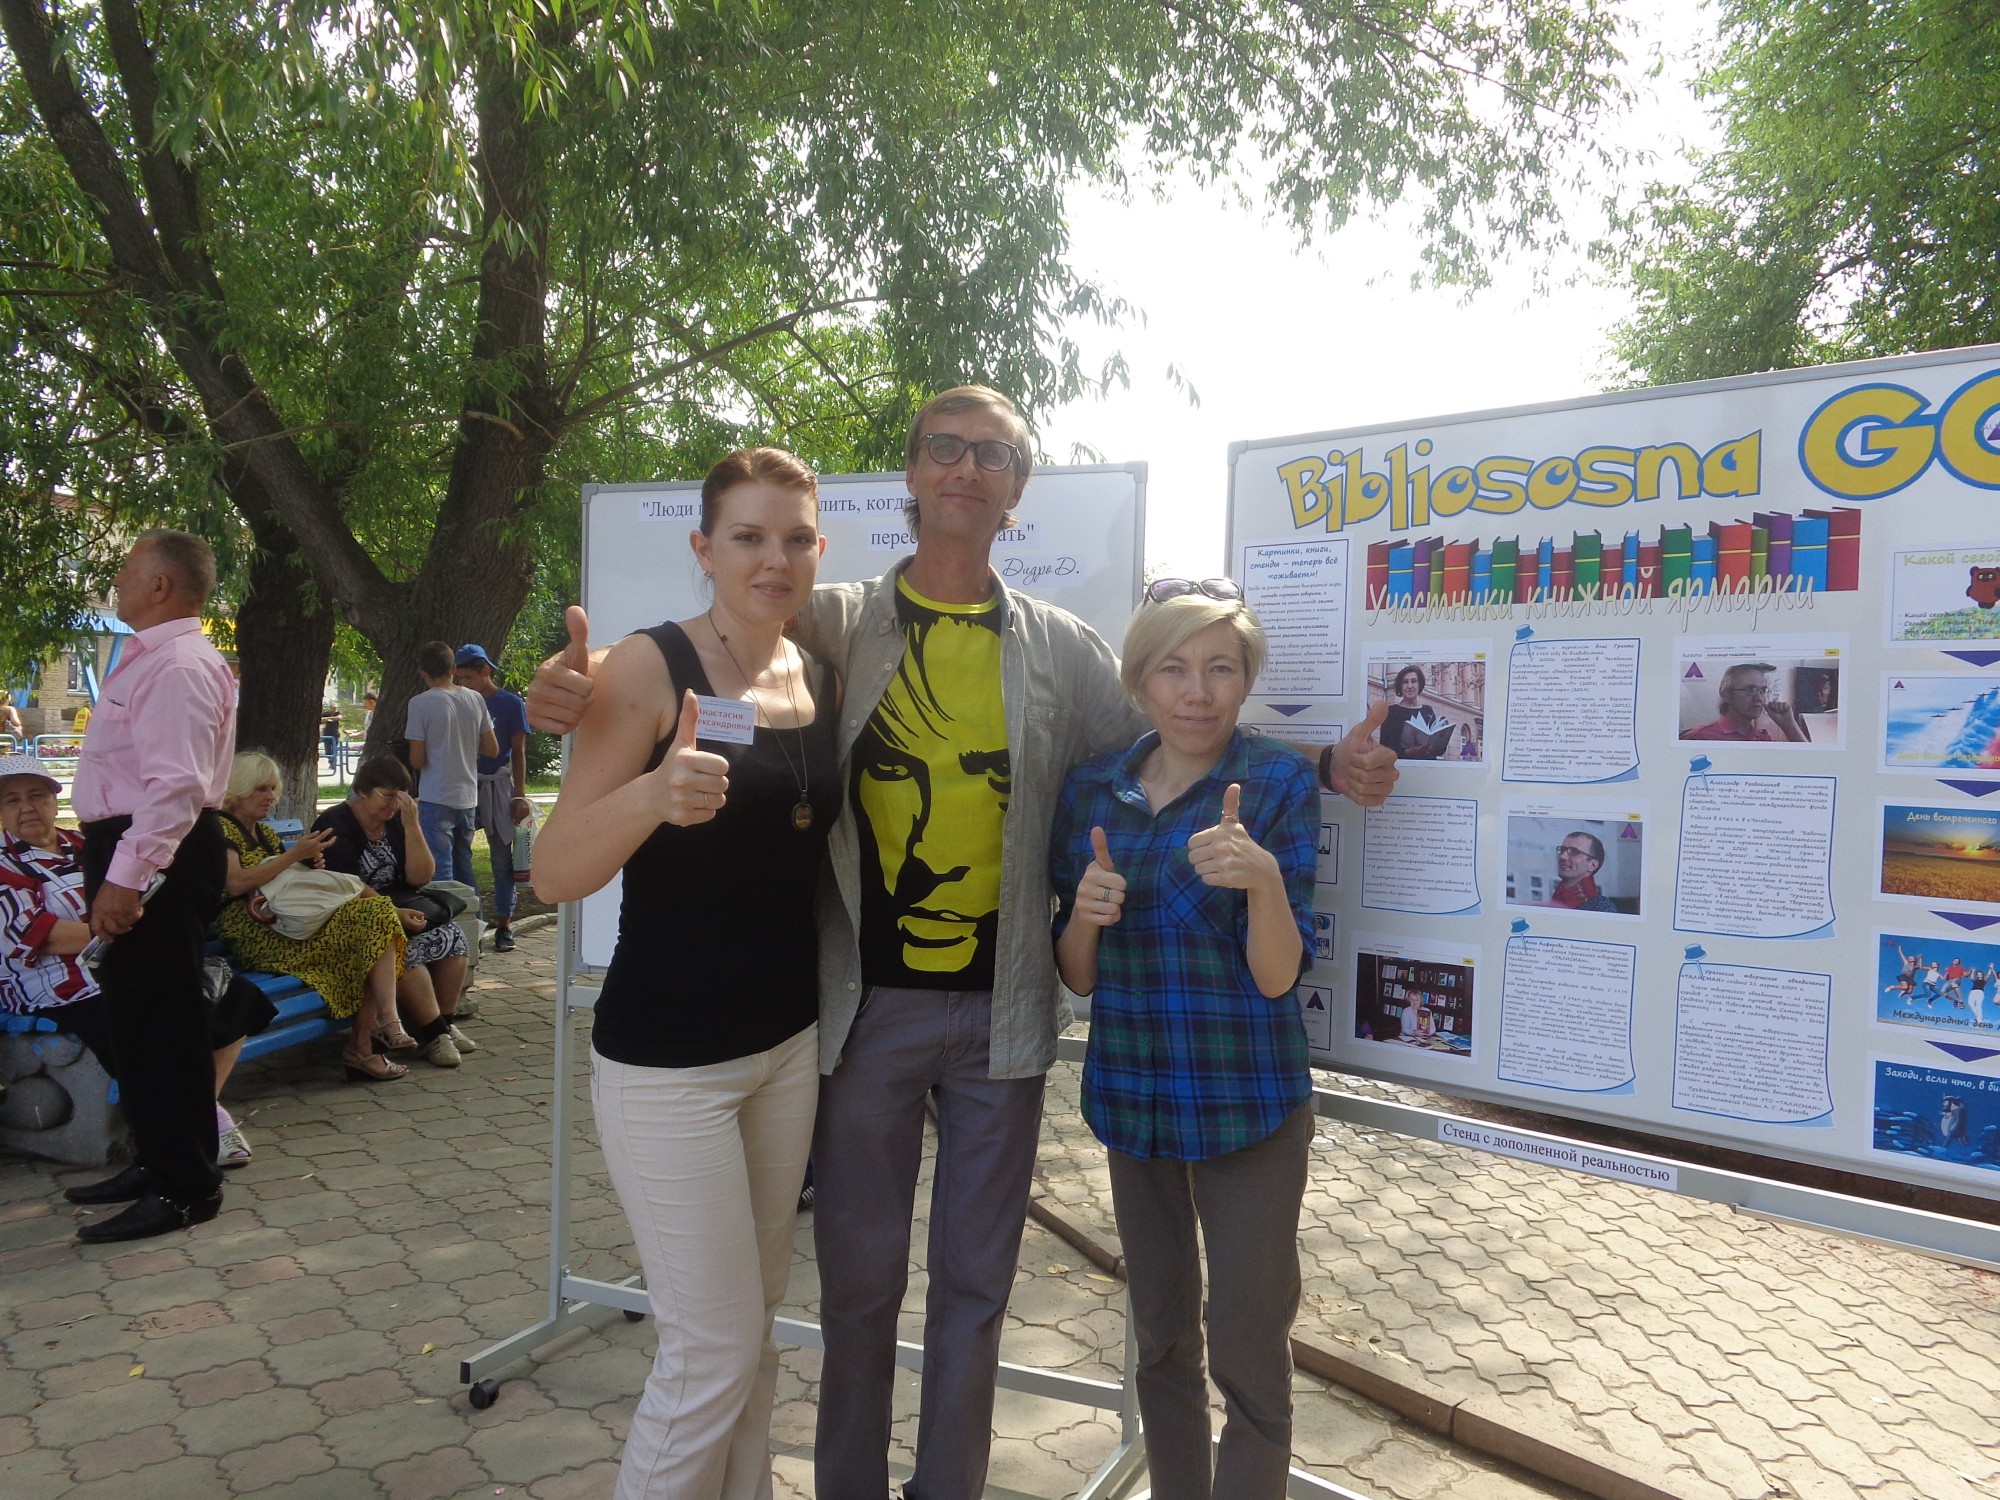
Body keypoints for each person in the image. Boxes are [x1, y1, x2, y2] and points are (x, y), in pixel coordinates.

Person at [526, 387, 1402, 1500]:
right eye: (944, 447)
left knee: (976, 1290)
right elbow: (707, 642)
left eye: (993, 455)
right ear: (910, 471)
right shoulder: (834, 620)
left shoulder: (1059, 649)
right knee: (856, 1287)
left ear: (1017, 490)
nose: (965, 469)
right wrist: (569, 685)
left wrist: (1323, 766)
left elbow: (1178, 731)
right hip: (858, 1010)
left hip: (1003, 1016)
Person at [532, 447, 840, 1500]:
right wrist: (650, 797)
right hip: (669, 1065)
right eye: (747, 537)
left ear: (819, 550)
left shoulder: (818, 671)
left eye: (794, 538)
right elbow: (553, 872)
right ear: (704, 549)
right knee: (708, 1351)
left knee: (752, 1334)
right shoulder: (647, 667)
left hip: (786, 1047)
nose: (772, 559)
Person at [1050, 589, 1319, 1500]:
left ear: (1245, 682)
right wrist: (1083, 918)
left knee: (1249, 1344)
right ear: (1140, 682)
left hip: (1249, 1105)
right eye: (1173, 669)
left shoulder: (1277, 782)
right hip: (1137, 1101)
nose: (1196, 692)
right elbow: (1078, 976)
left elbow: (1278, 978)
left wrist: (1264, 882)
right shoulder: (1093, 788)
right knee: (1162, 1337)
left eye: (1219, 669)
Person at [62, 530, 237, 1242]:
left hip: (155, 849)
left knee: (164, 1022)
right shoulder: (154, 657)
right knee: (137, 1019)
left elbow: (175, 789)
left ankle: (186, 1186)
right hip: (138, 845)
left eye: (128, 569)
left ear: (161, 586)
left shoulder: (178, 665)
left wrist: (126, 879)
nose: (117, 579)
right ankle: (157, 1159)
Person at [0, 756, 273, 1167]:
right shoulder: (5, 864)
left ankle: (197, 1115)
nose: (27, 807)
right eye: (12, 800)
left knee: (235, 994)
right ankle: (198, 1127)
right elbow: (43, 935)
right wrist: (128, 930)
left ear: (56, 801)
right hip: (59, 986)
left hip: (123, 964)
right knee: (153, 1019)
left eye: (36, 795)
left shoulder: (83, 845)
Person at [216, 751, 453, 1076]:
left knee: (375, 922)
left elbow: (285, 883)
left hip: (283, 923)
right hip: (253, 931)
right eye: (261, 789)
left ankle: (380, 1028)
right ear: (239, 789)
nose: (270, 796)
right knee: (369, 936)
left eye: (273, 788)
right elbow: (235, 883)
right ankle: (367, 1043)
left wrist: (310, 867)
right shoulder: (221, 829)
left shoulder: (265, 833)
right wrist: (294, 857)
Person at [312, 756, 478, 1050]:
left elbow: (420, 877)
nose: (394, 804)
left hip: (397, 906)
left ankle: (444, 1025)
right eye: (388, 795)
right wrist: (392, 913)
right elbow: (345, 884)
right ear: (363, 791)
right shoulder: (335, 822)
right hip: (352, 914)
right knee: (404, 947)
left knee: (452, 937)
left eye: (402, 797)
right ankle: (434, 1035)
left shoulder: (396, 822)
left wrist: (412, 825)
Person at [453, 644, 532, 952]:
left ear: (485, 671)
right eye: (459, 679)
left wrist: (519, 796)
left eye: (469, 678)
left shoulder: (510, 703)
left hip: (498, 785)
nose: (464, 684)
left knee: (501, 858)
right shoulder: (458, 701)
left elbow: (519, 751)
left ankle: (504, 925)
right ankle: (471, 922)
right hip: (466, 784)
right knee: (459, 855)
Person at [405, 640, 498, 888]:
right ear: (453, 669)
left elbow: (417, 759)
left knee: (441, 868)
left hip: (436, 796)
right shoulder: (475, 699)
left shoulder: (420, 703)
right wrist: (463, 744)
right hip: (467, 797)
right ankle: (473, 912)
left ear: (422, 673)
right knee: (464, 865)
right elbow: (492, 748)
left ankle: (448, 913)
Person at [1683, 662, 1808, 742]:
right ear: (1727, 695)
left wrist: (1788, 724)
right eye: (1750, 690)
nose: (1759, 698)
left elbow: (1809, 762)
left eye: (1763, 690)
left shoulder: (1761, 738)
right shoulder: (1700, 737)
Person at [1382, 664, 1449, 760]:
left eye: (1413, 681)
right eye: (1405, 682)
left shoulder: (1428, 710)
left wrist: (1441, 742)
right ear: (1400, 686)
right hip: (1403, 766)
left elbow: (1439, 751)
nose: (1410, 686)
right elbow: (1384, 749)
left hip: (1427, 766)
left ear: (1419, 684)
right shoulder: (1391, 712)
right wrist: (1407, 752)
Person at [1546, 831, 1618, 913]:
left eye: (1574, 852)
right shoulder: (1556, 898)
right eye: (1562, 850)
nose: (1562, 856)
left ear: (1592, 865)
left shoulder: (1602, 908)